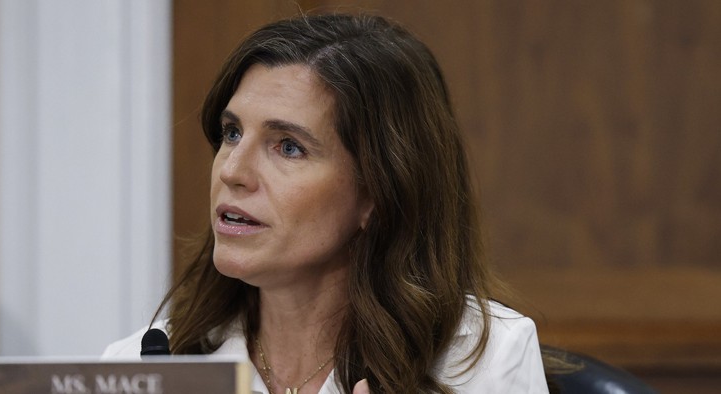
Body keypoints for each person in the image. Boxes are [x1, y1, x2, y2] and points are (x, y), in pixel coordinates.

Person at [104, 13, 548, 394]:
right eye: (232, 133)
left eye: (288, 147)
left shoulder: (485, 362)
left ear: (377, 193)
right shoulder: (137, 369)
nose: (231, 170)